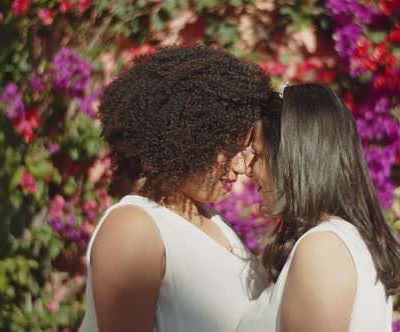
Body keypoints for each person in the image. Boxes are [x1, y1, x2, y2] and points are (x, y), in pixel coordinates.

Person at [79, 45, 275, 332]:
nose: (241, 166)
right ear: (189, 137)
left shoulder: (213, 222)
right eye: (231, 148)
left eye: (244, 149)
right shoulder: (134, 228)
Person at [237, 83, 400, 331]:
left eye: (259, 155)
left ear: (292, 159)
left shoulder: (323, 248)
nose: (249, 169)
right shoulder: (338, 241)